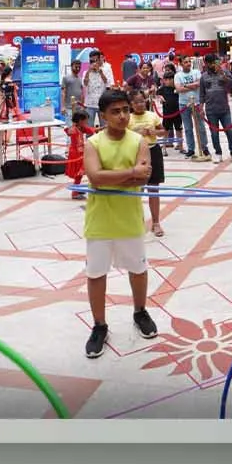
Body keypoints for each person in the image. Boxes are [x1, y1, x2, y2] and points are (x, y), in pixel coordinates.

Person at [81, 89, 161, 358]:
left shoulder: (139, 141)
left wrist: (114, 176)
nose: (123, 115)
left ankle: (140, 311)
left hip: (129, 218)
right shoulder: (92, 143)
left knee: (138, 269)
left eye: (125, 110)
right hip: (100, 220)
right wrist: (129, 173)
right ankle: (99, 325)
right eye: (115, 111)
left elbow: (143, 177)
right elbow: (94, 177)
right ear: (102, 115)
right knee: (96, 273)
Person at [127, 88, 167, 237]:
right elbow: (122, 136)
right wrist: (136, 134)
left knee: (154, 189)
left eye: (142, 101)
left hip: (153, 151)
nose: (140, 104)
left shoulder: (152, 115)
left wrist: (154, 133)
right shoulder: (128, 118)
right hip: (135, 154)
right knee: (137, 190)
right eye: (137, 102)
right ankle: (137, 221)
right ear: (131, 104)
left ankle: (156, 223)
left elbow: (164, 131)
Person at [199, 54, 232, 159]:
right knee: (214, 133)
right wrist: (201, 107)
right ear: (207, 64)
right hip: (211, 110)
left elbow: (231, 87)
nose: (214, 65)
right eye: (212, 63)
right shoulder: (203, 76)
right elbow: (202, 93)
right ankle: (218, 153)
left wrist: (222, 74)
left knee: (229, 131)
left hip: (224, 109)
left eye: (216, 62)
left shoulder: (225, 72)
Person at [175, 54, 210, 161]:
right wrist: (191, 86)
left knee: (201, 127)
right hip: (183, 104)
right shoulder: (178, 75)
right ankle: (191, 149)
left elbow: (199, 84)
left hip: (197, 103)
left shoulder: (196, 72)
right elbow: (178, 89)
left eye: (189, 61)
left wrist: (185, 85)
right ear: (181, 64)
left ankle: (204, 147)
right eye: (185, 62)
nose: (188, 64)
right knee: (188, 128)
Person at [65, 109, 95, 201]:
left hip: (81, 153)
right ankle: (74, 193)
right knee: (79, 173)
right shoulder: (74, 130)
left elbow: (91, 131)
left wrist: (102, 129)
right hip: (76, 155)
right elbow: (68, 131)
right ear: (80, 121)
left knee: (81, 173)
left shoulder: (81, 128)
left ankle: (77, 190)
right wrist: (73, 125)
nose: (87, 122)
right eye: (85, 120)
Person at [81, 51, 113, 122]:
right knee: (89, 127)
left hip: (102, 103)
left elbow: (107, 83)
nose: (94, 62)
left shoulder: (105, 70)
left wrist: (100, 71)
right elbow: (85, 84)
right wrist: (89, 70)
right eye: (91, 61)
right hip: (89, 103)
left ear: (100, 59)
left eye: (96, 60)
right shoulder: (86, 72)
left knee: (104, 125)